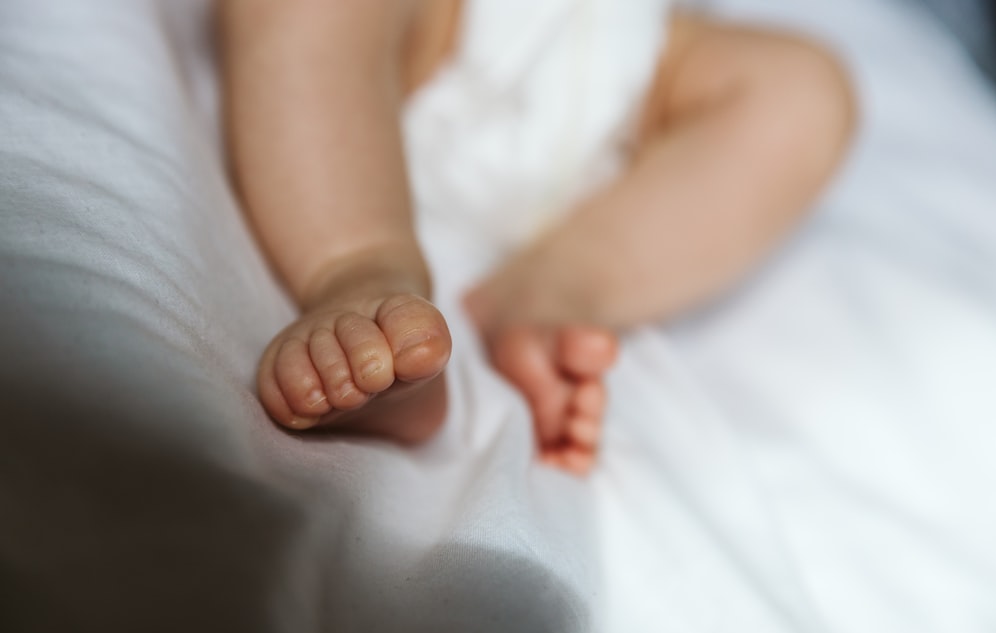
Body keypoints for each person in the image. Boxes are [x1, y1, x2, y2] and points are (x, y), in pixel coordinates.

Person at [218, 0, 855, 474]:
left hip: (626, 65)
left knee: (809, 92)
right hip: (433, 31)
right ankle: (362, 270)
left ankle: (554, 289)